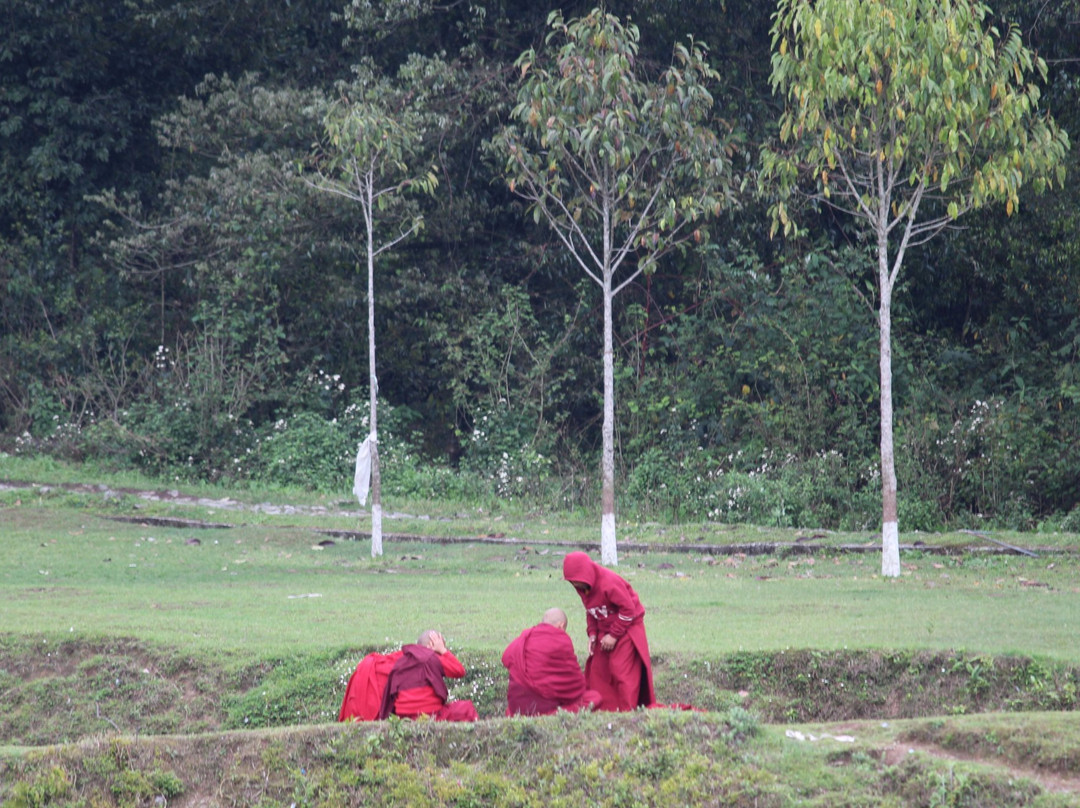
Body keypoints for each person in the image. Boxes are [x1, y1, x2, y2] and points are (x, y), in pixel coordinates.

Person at [562, 551, 655, 712]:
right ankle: (604, 710)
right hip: (604, 629)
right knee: (598, 670)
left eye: (577, 581)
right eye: (572, 583)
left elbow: (628, 610)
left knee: (621, 670)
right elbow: (592, 611)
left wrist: (613, 635)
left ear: (586, 574)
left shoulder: (609, 583)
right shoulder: (583, 588)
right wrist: (592, 634)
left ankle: (627, 712)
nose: (576, 586)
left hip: (627, 627)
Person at [502, 607, 602, 716]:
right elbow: (575, 683)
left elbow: (506, 657)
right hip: (544, 707)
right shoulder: (560, 639)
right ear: (561, 625)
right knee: (593, 698)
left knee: (514, 709)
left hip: (518, 705)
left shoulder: (525, 636)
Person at [376, 630, 478, 722]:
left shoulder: (401, 661)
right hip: (429, 714)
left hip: (403, 717)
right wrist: (443, 650)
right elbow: (459, 671)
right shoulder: (430, 657)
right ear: (430, 645)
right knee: (466, 708)